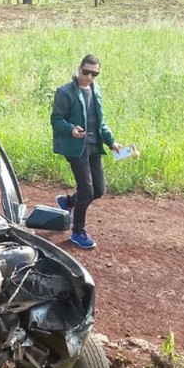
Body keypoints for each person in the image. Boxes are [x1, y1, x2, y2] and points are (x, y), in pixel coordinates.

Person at [51, 54, 122, 250]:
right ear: (79, 68)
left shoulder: (94, 90)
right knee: (87, 190)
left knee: (98, 190)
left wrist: (112, 142)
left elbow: (101, 122)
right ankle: (78, 231)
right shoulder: (65, 92)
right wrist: (71, 129)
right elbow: (56, 119)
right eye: (86, 71)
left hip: (93, 146)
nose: (89, 76)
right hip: (76, 148)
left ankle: (67, 202)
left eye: (94, 73)